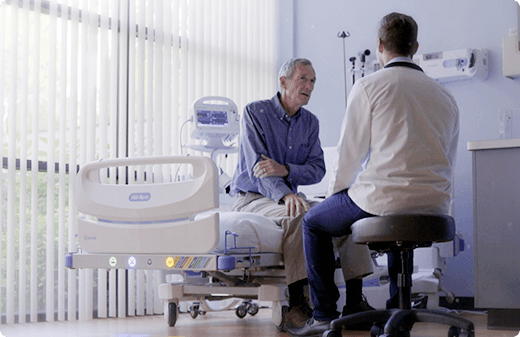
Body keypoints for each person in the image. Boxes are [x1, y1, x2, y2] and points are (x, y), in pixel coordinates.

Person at [288, 13, 460, 336]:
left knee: (313, 222)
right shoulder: (445, 97)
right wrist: (440, 203)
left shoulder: (369, 87)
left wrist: (333, 198)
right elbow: (448, 162)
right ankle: (400, 307)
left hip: (383, 200)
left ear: (379, 46)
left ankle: (324, 313)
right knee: (401, 225)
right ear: (415, 47)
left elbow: (348, 157)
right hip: (434, 206)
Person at [229, 58, 374, 331]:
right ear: (283, 82)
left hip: (288, 195)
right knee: (299, 216)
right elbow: (258, 169)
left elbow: (317, 169)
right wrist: (285, 195)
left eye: (313, 81)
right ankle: (297, 305)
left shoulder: (310, 122)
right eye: (303, 79)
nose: (309, 86)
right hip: (253, 197)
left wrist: (285, 169)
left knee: (344, 217)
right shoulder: (255, 113)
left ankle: (355, 302)